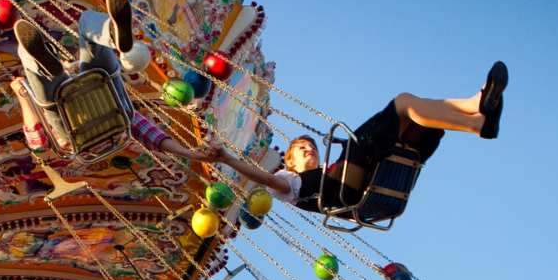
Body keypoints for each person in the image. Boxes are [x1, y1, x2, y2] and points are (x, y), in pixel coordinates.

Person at [207, 62, 508, 215]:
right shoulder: (291, 184)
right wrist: (227, 158)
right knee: (401, 103)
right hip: (344, 194)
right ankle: (476, 115)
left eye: (310, 145)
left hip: (368, 179)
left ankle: (477, 110)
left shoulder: (328, 171)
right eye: (301, 148)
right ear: (289, 162)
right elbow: (265, 178)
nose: (309, 149)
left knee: (417, 119)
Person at [9, 0, 214, 164]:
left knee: (34, 53)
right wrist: (188, 153)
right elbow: (152, 135)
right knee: (86, 25)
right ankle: (61, 58)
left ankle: (111, 34)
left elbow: (38, 142)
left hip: (69, 120)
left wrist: (23, 97)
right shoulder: (125, 117)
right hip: (107, 103)